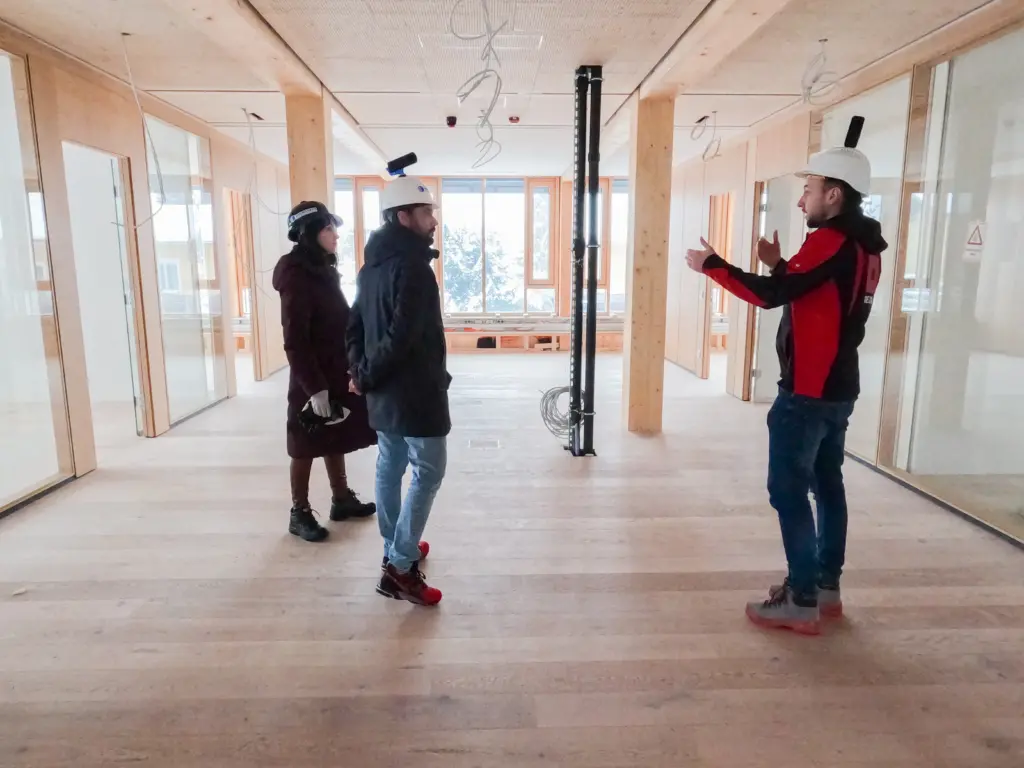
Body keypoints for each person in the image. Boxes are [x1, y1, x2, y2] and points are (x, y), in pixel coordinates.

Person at [685, 141, 887, 635]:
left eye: (809, 191)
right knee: (828, 486)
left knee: (789, 490)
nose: (802, 202)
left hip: (808, 393)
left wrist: (712, 265)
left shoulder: (831, 241)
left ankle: (801, 599)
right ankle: (827, 588)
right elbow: (813, 294)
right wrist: (780, 263)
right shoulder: (865, 247)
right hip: (839, 389)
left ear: (834, 195)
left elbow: (774, 297)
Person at [346, 175, 450, 607]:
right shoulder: (414, 270)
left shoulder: (370, 266)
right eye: (427, 213)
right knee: (428, 471)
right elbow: (402, 336)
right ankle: (401, 566)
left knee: (390, 463)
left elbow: (355, 326)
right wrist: (366, 374)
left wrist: (361, 371)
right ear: (403, 217)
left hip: (384, 393)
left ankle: (395, 547)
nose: (434, 221)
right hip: (415, 392)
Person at [272, 201, 377, 543]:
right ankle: (298, 512)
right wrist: (314, 388)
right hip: (310, 374)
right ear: (308, 234)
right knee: (304, 442)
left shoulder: (322, 269)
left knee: (336, 432)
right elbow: (295, 340)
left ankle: (341, 499)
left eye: (335, 229)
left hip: (335, 366)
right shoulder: (296, 276)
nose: (335, 236)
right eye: (328, 229)